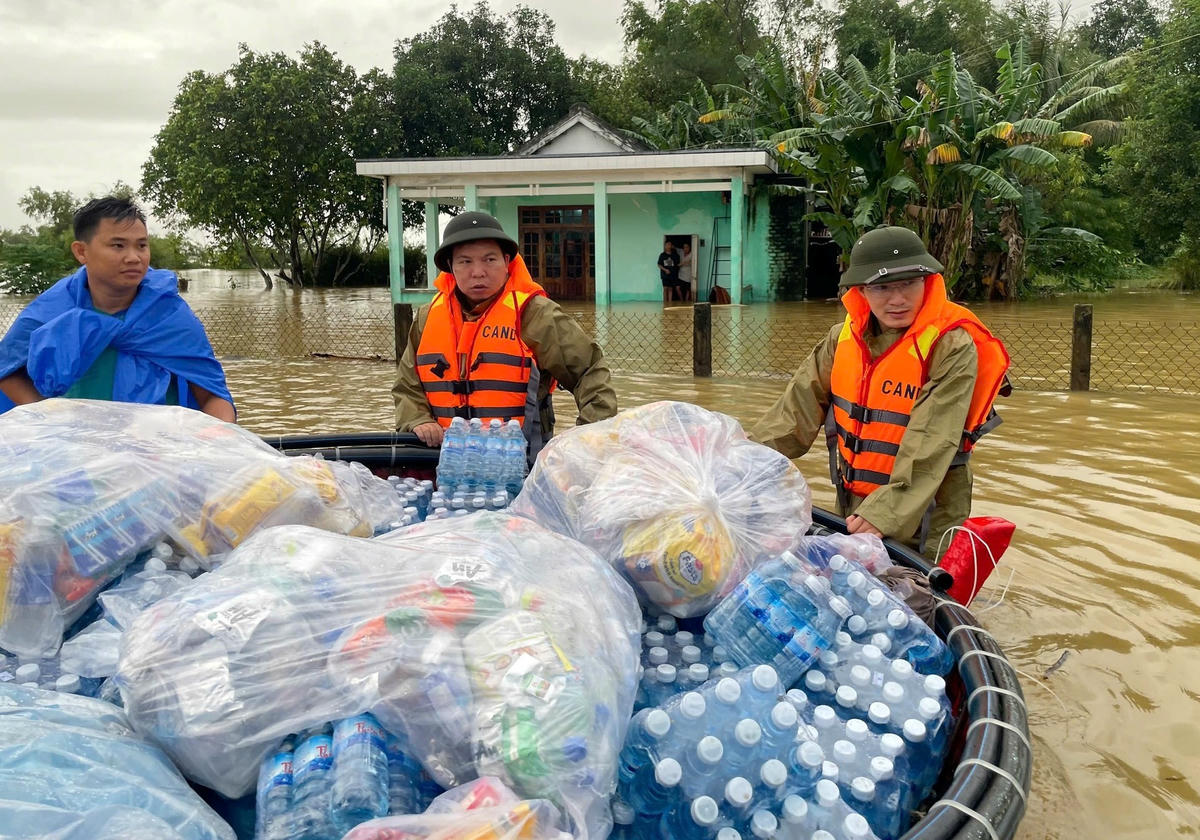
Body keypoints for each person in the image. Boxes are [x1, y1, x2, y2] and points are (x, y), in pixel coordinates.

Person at [750, 226, 1010, 555]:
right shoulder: (841, 338)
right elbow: (793, 415)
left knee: (915, 599)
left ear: (926, 282)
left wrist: (884, 514)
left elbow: (932, 439)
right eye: (883, 287)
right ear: (861, 290)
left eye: (909, 284)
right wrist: (742, 461)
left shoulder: (950, 345)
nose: (898, 299)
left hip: (926, 508)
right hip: (853, 499)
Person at [393, 211, 618, 454]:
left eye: (490, 260)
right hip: (444, 459)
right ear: (450, 266)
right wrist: (417, 419)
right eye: (465, 261)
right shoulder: (427, 318)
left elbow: (589, 371)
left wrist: (589, 438)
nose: (478, 272)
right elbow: (407, 385)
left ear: (507, 260)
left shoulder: (535, 314)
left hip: (519, 461)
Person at [0, 196, 235, 420]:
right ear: (81, 252)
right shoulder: (51, 311)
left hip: (153, 450)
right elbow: (6, 369)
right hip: (72, 450)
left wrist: (220, 439)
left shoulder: (169, 316)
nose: (134, 257)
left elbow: (212, 396)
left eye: (141, 245)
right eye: (118, 245)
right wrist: (47, 416)